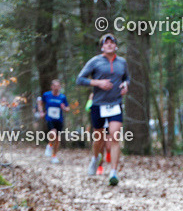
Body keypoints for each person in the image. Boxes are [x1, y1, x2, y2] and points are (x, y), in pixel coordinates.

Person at [77, 33, 129, 186]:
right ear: (102, 47)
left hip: (115, 104)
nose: (109, 45)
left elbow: (127, 78)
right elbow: (80, 79)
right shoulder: (95, 61)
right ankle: (95, 158)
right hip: (98, 104)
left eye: (112, 42)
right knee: (99, 137)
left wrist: (126, 85)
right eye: (106, 43)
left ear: (116, 46)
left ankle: (113, 172)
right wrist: (97, 83)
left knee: (114, 136)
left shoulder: (122, 62)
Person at [39, 80, 68, 164]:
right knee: (53, 133)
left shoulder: (62, 97)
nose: (56, 88)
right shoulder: (46, 95)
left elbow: (67, 108)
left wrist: (64, 108)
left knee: (57, 139)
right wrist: (41, 112)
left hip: (59, 120)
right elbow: (40, 102)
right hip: (49, 118)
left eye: (58, 86)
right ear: (52, 87)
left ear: (60, 87)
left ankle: (54, 156)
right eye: (54, 86)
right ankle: (49, 145)